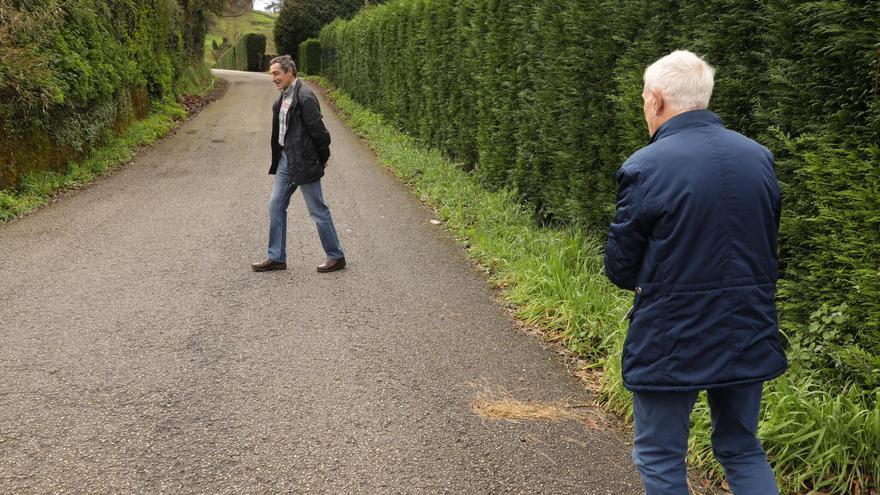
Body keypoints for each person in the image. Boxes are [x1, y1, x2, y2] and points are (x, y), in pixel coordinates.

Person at [604, 50, 786, 494]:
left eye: (645, 98)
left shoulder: (645, 166)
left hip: (671, 336)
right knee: (742, 448)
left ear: (658, 100)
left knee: (660, 456)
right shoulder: (757, 157)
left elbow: (621, 267)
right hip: (749, 326)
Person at [252, 55, 346, 273]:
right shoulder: (282, 98)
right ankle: (276, 257)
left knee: (317, 209)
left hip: (304, 161)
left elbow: (320, 132)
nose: (272, 78)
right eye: (271, 73)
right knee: (275, 205)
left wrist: (323, 157)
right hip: (286, 161)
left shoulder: (305, 96)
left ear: (289, 72)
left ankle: (336, 256)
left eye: (276, 73)